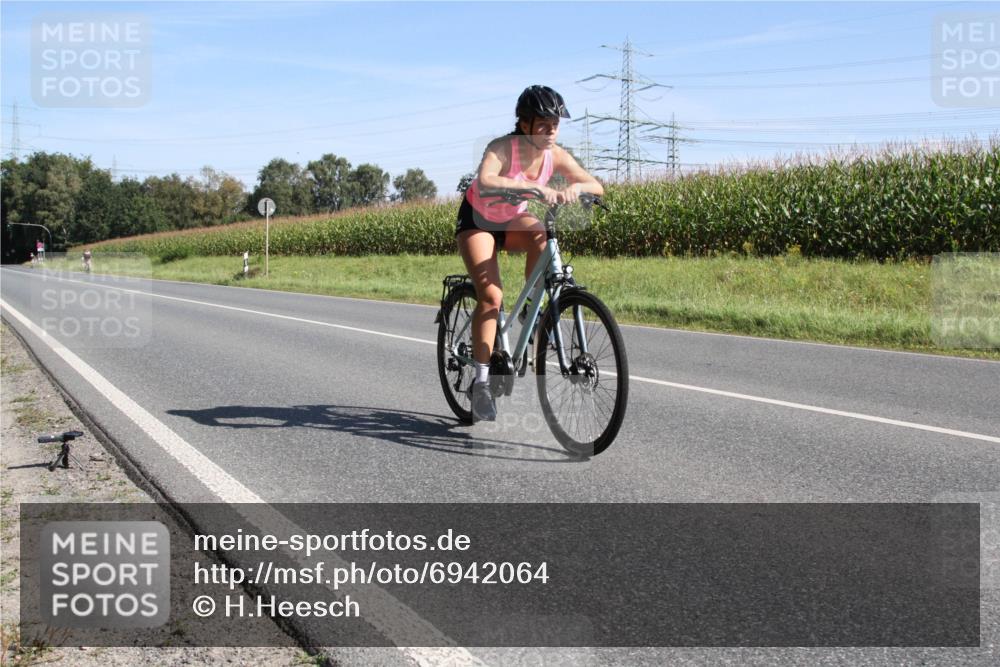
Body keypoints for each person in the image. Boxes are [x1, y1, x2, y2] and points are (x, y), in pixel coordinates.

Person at [456, 85, 604, 422]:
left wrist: (577, 187)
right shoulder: (502, 148)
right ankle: (480, 384)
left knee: (539, 232)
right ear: (525, 125)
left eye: (555, 124)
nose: (551, 130)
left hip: (510, 221)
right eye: (544, 124)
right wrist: (531, 186)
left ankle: (530, 310)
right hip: (477, 221)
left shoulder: (556, 154)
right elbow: (487, 179)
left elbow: (596, 185)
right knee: (491, 297)